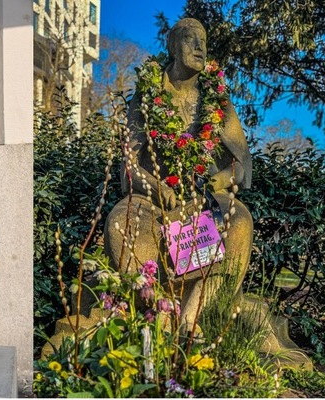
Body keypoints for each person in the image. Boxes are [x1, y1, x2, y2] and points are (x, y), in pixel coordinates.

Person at [103, 18, 253, 333]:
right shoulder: (148, 93)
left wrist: (217, 182)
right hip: (152, 199)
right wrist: (156, 186)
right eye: (190, 39)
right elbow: (128, 165)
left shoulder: (218, 99)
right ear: (173, 46)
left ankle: (190, 318)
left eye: (204, 41)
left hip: (204, 199)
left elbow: (243, 166)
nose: (200, 47)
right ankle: (158, 309)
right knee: (120, 224)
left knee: (238, 221)